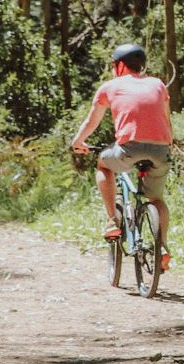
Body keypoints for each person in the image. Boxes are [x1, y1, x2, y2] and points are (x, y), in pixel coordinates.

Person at [70, 44, 173, 270]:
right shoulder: (157, 84)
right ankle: (162, 247)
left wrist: (78, 141)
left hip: (129, 149)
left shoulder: (110, 86)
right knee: (156, 200)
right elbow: (166, 119)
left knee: (103, 166)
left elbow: (92, 122)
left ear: (120, 65)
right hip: (161, 150)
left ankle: (112, 220)